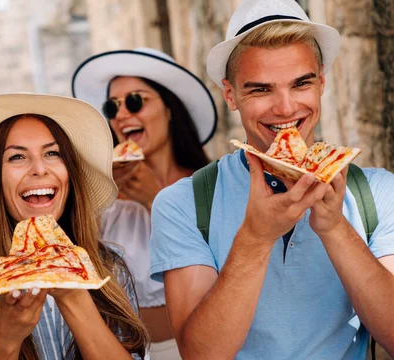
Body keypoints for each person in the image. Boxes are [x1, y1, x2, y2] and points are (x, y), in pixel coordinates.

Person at [149, 0, 394, 359]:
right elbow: (201, 355)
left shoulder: (378, 192)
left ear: (321, 82)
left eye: (301, 84)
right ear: (230, 94)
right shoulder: (183, 203)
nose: (285, 107)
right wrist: (254, 238)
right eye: (261, 89)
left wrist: (334, 227)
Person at [0, 93, 150, 359]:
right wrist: (3, 340)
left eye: (52, 153)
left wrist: (72, 295)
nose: (39, 168)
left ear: (71, 173)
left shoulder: (110, 266)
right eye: (17, 157)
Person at [71, 48, 217, 359]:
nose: (123, 115)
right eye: (112, 107)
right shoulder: (102, 196)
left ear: (169, 109)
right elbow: (77, 267)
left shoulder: (210, 184)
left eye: (136, 101)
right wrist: (98, 195)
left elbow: (227, 264)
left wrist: (156, 201)